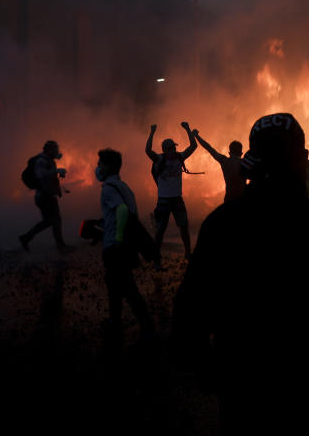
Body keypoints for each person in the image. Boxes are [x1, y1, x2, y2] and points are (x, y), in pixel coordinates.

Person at [172, 113, 309, 434]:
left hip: (243, 389)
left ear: (252, 159)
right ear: (303, 159)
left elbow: (190, 308)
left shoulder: (222, 223)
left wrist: (205, 366)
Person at [95, 148, 155, 349]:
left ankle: (147, 328)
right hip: (125, 245)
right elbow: (126, 213)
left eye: (101, 164)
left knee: (127, 288)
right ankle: (115, 321)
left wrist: (117, 238)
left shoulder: (109, 188)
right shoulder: (125, 187)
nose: (98, 168)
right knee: (115, 284)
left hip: (116, 247)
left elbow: (121, 210)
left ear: (109, 167)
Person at [145, 122, 198, 264]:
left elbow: (193, 146)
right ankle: (156, 257)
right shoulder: (159, 159)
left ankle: (188, 253)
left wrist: (187, 129)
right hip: (163, 201)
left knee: (184, 227)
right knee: (161, 230)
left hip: (177, 200)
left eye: (174, 148)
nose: (174, 150)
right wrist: (152, 132)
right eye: (171, 148)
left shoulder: (179, 157)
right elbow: (148, 150)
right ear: (165, 150)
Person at [19, 140, 71, 253]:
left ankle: (26, 237)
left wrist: (57, 185)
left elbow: (50, 178)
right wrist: (56, 170)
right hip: (44, 197)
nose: (58, 151)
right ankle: (61, 247)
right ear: (49, 150)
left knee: (49, 221)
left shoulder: (49, 160)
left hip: (46, 196)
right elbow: (41, 175)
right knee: (55, 220)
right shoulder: (41, 161)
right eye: (55, 149)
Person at [195, 132, 246, 203]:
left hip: (229, 198)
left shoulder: (224, 161)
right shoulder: (246, 163)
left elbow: (209, 148)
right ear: (241, 153)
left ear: (229, 153)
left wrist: (196, 136)